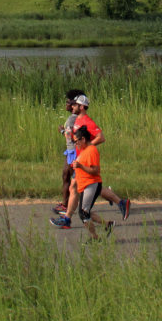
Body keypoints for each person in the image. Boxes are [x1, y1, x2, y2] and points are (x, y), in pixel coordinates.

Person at [51, 94, 130, 226]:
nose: (72, 106)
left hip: (84, 161)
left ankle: (67, 219)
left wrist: (88, 148)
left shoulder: (87, 122)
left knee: (82, 187)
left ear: (81, 107)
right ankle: (120, 202)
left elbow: (101, 137)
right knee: (78, 187)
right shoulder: (77, 121)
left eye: (75, 105)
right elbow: (76, 138)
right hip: (79, 159)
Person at [52, 126, 113, 239]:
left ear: (83, 139)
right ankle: (107, 224)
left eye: (76, 141)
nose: (75, 144)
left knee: (83, 213)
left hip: (92, 185)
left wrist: (80, 166)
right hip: (85, 186)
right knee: (86, 212)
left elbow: (95, 171)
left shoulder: (92, 151)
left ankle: (95, 237)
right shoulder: (85, 151)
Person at [53, 89, 82, 214]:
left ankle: (66, 205)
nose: (65, 104)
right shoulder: (74, 117)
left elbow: (70, 135)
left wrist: (61, 131)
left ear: (73, 104)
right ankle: (66, 203)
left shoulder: (72, 119)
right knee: (68, 177)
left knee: (72, 180)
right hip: (70, 151)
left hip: (73, 152)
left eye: (67, 102)